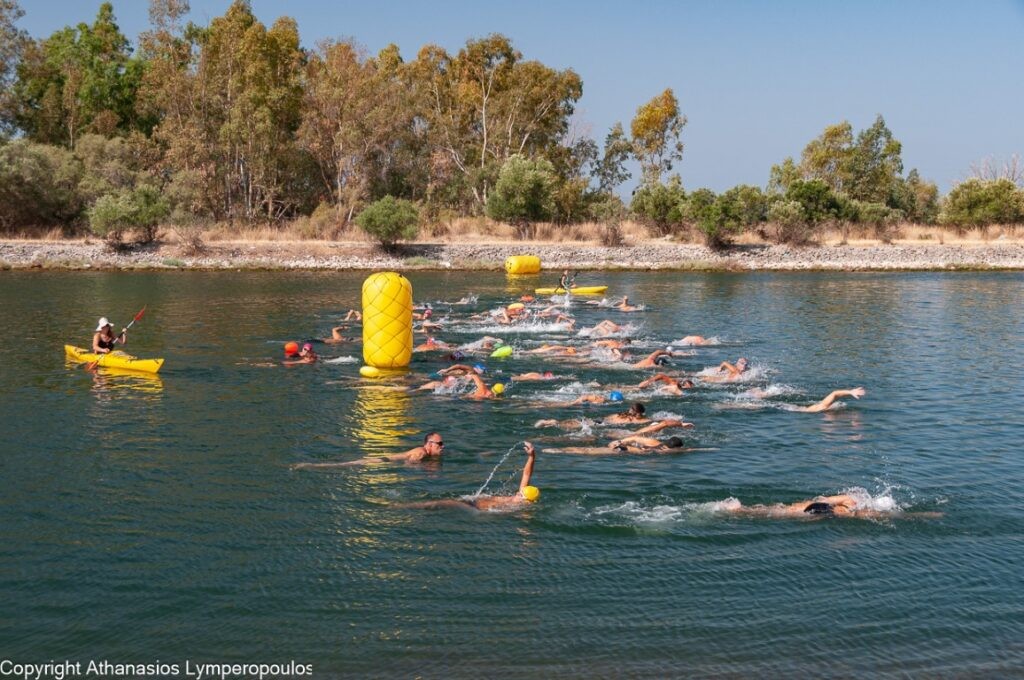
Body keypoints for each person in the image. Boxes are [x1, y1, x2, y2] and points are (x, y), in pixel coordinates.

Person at [399, 442, 539, 511]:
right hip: (473, 501)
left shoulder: (517, 506)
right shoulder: (520, 499)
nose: (518, 493)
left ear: (527, 501)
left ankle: (403, 507)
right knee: (440, 503)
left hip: (474, 508)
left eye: (521, 495)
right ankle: (408, 506)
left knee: (438, 503)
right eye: (520, 492)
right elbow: (526, 474)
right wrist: (532, 456)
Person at [717, 493, 943, 520]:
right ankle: (740, 510)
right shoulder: (858, 509)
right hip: (820, 510)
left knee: (780, 509)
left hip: (819, 506)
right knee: (781, 512)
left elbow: (829, 498)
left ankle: (740, 509)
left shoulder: (853, 501)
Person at [293, 432, 448, 468]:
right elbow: (408, 465)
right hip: (382, 461)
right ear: (429, 444)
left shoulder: (423, 452)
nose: (442, 446)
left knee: (346, 464)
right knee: (344, 465)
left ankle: (310, 464)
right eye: (439, 444)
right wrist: (425, 467)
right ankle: (309, 465)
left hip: (384, 459)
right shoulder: (421, 453)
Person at [795, 387, 866, 412]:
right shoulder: (819, 408)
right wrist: (850, 392)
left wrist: (850, 392)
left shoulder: (823, 407)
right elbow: (834, 394)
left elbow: (835, 395)